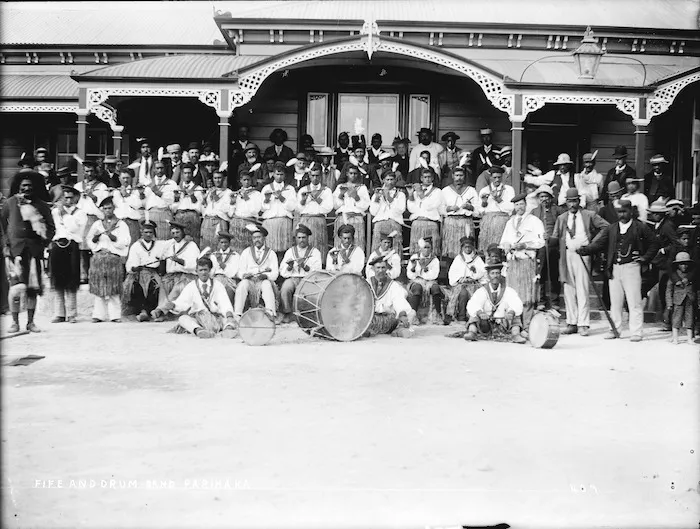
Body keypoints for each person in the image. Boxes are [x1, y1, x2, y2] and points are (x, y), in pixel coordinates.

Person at [577, 199, 659, 342]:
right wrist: (584, 250)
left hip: (632, 267)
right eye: (619, 212)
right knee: (615, 302)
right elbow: (599, 244)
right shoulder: (612, 228)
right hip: (614, 268)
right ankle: (615, 329)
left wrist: (645, 258)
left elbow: (654, 244)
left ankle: (636, 332)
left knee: (634, 301)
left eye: (624, 211)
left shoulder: (640, 227)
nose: (622, 214)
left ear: (631, 211)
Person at [551, 188, 609, 336]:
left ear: (579, 201)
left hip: (583, 255)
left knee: (582, 288)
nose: (572, 204)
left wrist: (592, 244)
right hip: (567, 255)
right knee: (569, 289)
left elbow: (606, 227)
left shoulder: (589, 215)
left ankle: (583, 324)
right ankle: (572, 322)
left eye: (574, 201)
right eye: (569, 201)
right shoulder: (562, 218)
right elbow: (555, 236)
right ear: (566, 202)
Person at [1, 175, 55, 332]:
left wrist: (42, 244)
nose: (26, 188)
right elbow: (2, 224)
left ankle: (30, 322)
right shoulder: (10, 203)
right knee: (15, 288)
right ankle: (14, 322)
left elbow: (51, 227)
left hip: (33, 253)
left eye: (30, 186)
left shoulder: (41, 205)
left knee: (32, 288)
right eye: (24, 186)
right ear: (19, 186)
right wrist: (5, 244)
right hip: (15, 252)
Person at [161, 257, 237, 339]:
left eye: (205, 270)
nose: (203, 273)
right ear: (196, 272)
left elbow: (224, 303)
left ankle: (227, 329)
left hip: (216, 319)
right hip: (199, 320)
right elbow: (183, 303)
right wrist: (173, 305)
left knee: (232, 318)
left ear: (210, 270)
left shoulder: (218, 285)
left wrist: (229, 316)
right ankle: (199, 331)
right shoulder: (191, 286)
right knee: (183, 319)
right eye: (201, 270)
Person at [499, 193, 545, 329]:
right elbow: (504, 241)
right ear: (514, 206)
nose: (519, 207)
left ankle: (527, 325)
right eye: (517, 205)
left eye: (521, 204)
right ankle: (514, 325)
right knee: (513, 294)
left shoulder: (534, 221)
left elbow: (541, 241)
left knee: (527, 295)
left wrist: (525, 245)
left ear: (526, 205)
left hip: (526, 261)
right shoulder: (510, 222)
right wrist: (506, 245)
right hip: (513, 263)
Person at [86, 196, 130, 323]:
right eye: (105, 209)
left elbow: (126, 241)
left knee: (114, 287)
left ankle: (115, 315)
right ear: (102, 210)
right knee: (99, 287)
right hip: (99, 258)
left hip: (113, 257)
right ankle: (98, 315)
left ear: (114, 208)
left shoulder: (121, 224)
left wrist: (112, 237)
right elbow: (89, 240)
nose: (107, 211)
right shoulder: (97, 224)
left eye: (109, 208)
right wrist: (95, 238)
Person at [463, 258, 527, 344]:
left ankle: (516, 335)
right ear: (488, 276)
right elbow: (473, 304)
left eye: (497, 273)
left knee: (516, 314)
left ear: (500, 275)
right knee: (474, 315)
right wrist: (480, 313)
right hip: (486, 324)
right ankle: (472, 333)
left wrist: (511, 312)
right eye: (492, 273)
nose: (495, 276)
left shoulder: (508, 291)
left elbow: (516, 303)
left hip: (502, 324)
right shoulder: (482, 291)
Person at [49, 185, 87, 323]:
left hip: (72, 245)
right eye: (65, 197)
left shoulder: (80, 213)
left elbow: (73, 228)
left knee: (71, 280)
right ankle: (59, 313)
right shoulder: (54, 212)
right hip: (58, 245)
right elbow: (52, 229)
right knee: (58, 281)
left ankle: (72, 314)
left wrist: (64, 214)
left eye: (71, 197)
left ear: (75, 198)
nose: (68, 201)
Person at [150, 221, 200, 322]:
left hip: (187, 276)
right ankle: (163, 313)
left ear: (183, 233)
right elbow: (159, 251)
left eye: (178, 232)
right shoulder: (170, 244)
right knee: (163, 285)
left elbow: (194, 265)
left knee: (178, 287)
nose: (175, 235)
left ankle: (161, 310)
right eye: (173, 233)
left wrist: (179, 261)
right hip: (172, 275)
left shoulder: (191, 245)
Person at [278, 223, 322, 323]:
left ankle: (308, 315)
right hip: (293, 278)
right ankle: (288, 313)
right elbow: (282, 271)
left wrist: (305, 267)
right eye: (299, 238)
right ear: (296, 239)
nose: (301, 240)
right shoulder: (290, 251)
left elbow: (318, 271)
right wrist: (289, 267)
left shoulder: (315, 252)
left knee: (308, 292)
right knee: (285, 288)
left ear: (308, 238)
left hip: (308, 279)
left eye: (304, 237)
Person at [234, 224, 279, 320]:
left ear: (264, 238)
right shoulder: (246, 252)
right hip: (250, 280)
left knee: (267, 285)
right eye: (254, 238)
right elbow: (240, 271)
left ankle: (271, 314)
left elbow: (275, 273)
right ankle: (237, 314)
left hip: (263, 280)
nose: (256, 240)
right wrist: (244, 275)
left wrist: (266, 276)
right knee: (242, 285)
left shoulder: (271, 253)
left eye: (259, 237)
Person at [647, 199, 680, 331]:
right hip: (659, 264)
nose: (653, 215)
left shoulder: (666, 226)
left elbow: (676, 243)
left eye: (656, 213)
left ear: (661, 214)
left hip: (666, 264)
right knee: (661, 291)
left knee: (665, 292)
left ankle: (669, 322)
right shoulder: (658, 225)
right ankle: (667, 321)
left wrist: (664, 250)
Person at [531, 184, 565, 309]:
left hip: (554, 247)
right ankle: (541, 300)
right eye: (541, 197)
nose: (544, 199)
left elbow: (563, 228)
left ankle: (555, 301)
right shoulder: (534, 212)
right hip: (540, 247)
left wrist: (554, 238)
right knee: (540, 274)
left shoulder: (558, 211)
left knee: (554, 274)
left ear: (551, 198)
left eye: (546, 196)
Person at [122, 220, 164, 322]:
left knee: (154, 286)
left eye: (150, 232)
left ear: (153, 233)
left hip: (153, 272)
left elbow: (172, 244)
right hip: (138, 272)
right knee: (135, 286)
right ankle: (141, 311)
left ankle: (149, 310)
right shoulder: (136, 245)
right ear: (142, 232)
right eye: (146, 232)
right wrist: (133, 268)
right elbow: (131, 262)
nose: (148, 234)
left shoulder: (159, 244)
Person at [75, 160, 109, 282]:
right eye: (86, 171)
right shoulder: (78, 186)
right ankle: (83, 274)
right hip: (82, 218)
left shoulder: (101, 187)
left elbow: (105, 204)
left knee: (95, 246)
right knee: (82, 247)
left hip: (95, 218)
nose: (89, 174)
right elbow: (74, 203)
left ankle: (97, 273)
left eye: (91, 171)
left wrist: (93, 196)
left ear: (95, 173)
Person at [364, 256, 414, 337]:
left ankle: (399, 330)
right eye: (378, 268)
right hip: (370, 319)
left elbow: (399, 300)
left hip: (388, 320)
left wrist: (402, 314)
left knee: (410, 314)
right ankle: (366, 330)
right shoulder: (366, 283)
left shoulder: (393, 285)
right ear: (373, 269)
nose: (380, 270)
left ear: (387, 268)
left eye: (383, 267)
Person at [445, 235, 486, 323]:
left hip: (474, 284)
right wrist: (460, 279)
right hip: (461, 284)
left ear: (473, 247)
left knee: (475, 295)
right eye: (465, 247)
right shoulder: (458, 259)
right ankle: (461, 316)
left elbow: (483, 272)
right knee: (463, 294)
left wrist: (474, 275)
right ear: (462, 247)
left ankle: (473, 316)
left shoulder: (477, 259)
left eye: (469, 246)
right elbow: (452, 273)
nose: (467, 249)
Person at [440, 166, 478, 260]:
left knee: (467, 249)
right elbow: (440, 208)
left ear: (464, 176)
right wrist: (450, 208)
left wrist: (470, 207)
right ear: (452, 176)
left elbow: (479, 209)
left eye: (461, 175)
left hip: (466, 221)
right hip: (451, 223)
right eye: (456, 175)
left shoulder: (471, 190)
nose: (459, 178)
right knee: (451, 250)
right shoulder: (445, 191)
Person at [297, 165, 334, 262]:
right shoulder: (303, 190)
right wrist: (303, 200)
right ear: (309, 176)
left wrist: (317, 198)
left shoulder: (326, 190)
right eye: (313, 176)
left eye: (317, 176)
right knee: (305, 245)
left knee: (319, 246)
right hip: (306, 220)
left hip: (319, 220)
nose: (315, 178)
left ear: (321, 176)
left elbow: (328, 208)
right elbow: (298, 209)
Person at [261, 163, 297, 262]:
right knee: (270, 249)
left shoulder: (290, 189)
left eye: (281, 174)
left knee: (284, 249)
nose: (279, 177)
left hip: (284, 221)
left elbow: (293, 206)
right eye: (277, 174)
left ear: (285, 175)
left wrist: (281, 198)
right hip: (270, 222)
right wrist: (267, 200)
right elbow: (261, 208)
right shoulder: (266, 188)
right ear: (273, 174)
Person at [477, 166, 515, 254]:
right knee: (487, 247)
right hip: (488, 222)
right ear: (490, 178)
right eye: (494, 177)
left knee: (502, 247)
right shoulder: (484, 190)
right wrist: (484, 202)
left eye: (499, 177)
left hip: (503, 221)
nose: (497, 180)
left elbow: (511, 207)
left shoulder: (509, 189)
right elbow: (480, 211)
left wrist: (498, 199)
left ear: (503, 177)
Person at [406, 236, 443, 324]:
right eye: (424, 247)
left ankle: (437, 315)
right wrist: (414, 268)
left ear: (431, 249)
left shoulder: (434, 260)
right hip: (417, 280)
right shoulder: (415, 257)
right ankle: (413, 315)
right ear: (420, 248)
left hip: (430, 281)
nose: (426, 250)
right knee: (417, 289)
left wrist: (423, 268)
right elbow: (410, 275)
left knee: (436, 289)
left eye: (428, 247)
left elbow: (434, 275)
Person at [333, 166, 370, 252]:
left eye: (355, 173)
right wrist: (341, 195)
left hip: (357, 218)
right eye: (351, 173)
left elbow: (366, 205)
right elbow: (335, 205)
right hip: (343, 218)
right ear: (346, 174)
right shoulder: (340, 187)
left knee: (357, 242)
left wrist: (356, 197)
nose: (353, 175)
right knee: (342, 242)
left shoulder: (362, 187)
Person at [407, 169, 443, 257]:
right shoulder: (416, 192)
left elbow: (430, 206)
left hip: (431, 223)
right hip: (417, 223)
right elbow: (411, 209)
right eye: (425, 177)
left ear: (433, 178)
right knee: (417, 250)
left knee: (431, 250)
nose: (427, 179)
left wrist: (420, 194)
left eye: (429, 177)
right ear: (421, 179)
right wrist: (411, 195)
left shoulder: (437, 191)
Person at [369, 172, 406, 254]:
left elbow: (401, 210)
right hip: (380, 223)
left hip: (394, 223)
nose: (390, 182)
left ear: (395, 180)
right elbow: (373, 212)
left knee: (395, 249)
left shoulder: (400, 194)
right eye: (387, 180)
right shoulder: (377, 194)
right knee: (379, 249)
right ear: (383, 181)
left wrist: (389, 198)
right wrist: (376, 200)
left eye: (392, 179)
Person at [226, 171, 262, 254]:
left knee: (249, 250)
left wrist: (245, 197)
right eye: (244, 180)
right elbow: (230, 214)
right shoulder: (236, 193)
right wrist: (232, 202)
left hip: (249, 224)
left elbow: (254, 211)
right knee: (236, 250)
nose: (246, 182)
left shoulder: (256, 194)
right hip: (236, 224)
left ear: (251, 180)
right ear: (240, 181)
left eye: (248, 180)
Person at [171, 163, 204, 247]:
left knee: (194, 241)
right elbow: (173, 209)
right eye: (185, 173)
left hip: (192, 217)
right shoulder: (177, 188)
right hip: (180, 216)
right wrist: (176, 199)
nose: (187, 175)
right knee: (179, 241)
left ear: (192, 174)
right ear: (182, 174)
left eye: (189, 173)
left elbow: (200, 209)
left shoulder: (198, 189)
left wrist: (192, 196)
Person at [143, 160, 178, 240]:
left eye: (161, 168)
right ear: (154, 169)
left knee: (165, 240)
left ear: (165, 169)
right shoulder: (148, 182)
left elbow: (172, 200)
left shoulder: (171, 183)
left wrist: (158, 192)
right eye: (157, 168)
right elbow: (144, 201)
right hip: (152, 214)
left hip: (165, 214)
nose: (159, 170)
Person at [666, 252, 695, 344]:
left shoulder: (691, 276)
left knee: (689, 318)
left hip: (690, 299)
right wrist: (669, 303)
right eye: (681, 264)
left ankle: (689, 338)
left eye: (686, 263)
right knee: (676, 318)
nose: (684, 266)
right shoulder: (674, 277)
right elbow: (669, 290)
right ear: (677, 265)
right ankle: (675, 338)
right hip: (678, 301)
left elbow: (697, 289)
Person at [199, 171, 233, 251]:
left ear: (224, 179)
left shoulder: (228, 192)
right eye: (215, 178)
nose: (217, 180)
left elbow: (226, 209)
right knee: (206, 247)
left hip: (219, 221)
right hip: (207, 221)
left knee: (218, 247)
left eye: (219, 178)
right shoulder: (210, 191)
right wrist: (204, 200)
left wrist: (215, 196)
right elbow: (204, 210)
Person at [112, 169, 142, 244]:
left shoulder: (136, 191)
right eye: (123, 178)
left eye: (127, 178)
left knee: (133, 246)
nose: (125, 180)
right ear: (119, 178)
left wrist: (127, 195)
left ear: (131, 178)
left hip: (132, 223)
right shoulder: (115, 192)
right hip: (119, 223)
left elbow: (138, 205)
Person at [209, 231, 240, 305]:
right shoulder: (214, 255)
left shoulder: (235, 255)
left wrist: (220, 263)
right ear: (219, 243)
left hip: (229, 280)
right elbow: (211, 272)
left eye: (226, 242)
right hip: (216, 278)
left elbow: (232, 273)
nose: (224, 244)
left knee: (229, 291)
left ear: (229, 243)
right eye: (222, 242)